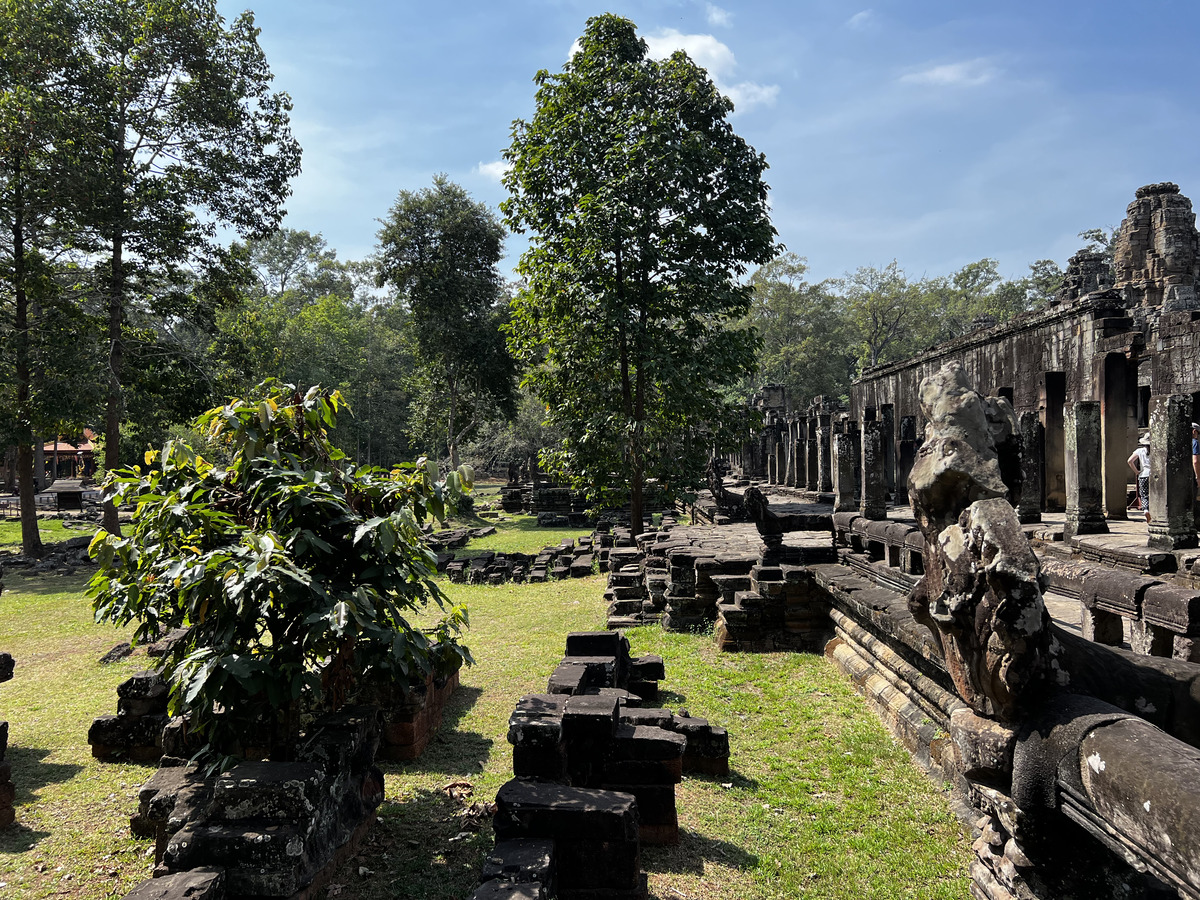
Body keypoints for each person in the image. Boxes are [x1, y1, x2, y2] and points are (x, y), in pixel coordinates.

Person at [1128, 433, 1151, 524]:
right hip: (1154, 475)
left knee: (1144, 495)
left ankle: (1146, 510)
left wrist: (1137, 471)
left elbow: (1129, 461)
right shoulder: (1157, 450)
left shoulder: (1140, 450)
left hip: (1144, 474)